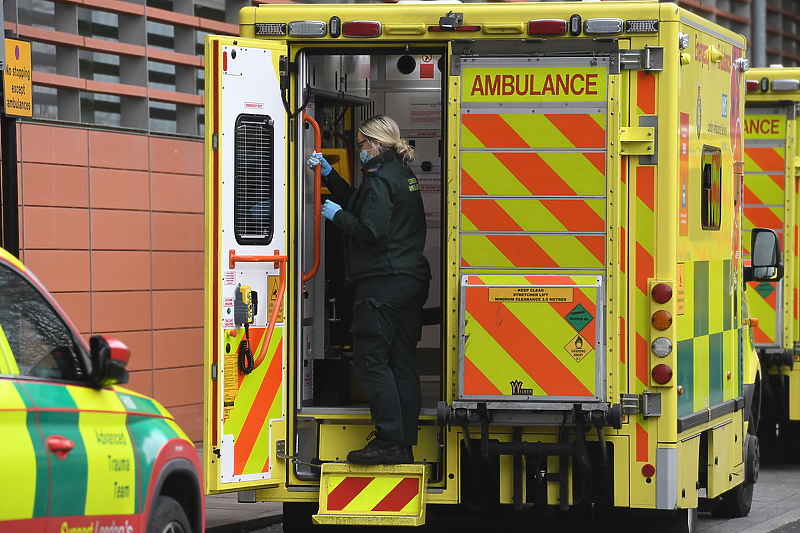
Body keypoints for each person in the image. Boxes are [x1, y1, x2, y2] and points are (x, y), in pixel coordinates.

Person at [308, 115, 431, 465]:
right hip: (409, 279)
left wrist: (333, 216)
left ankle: (389, 441)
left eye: (361, 144)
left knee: (371, 360)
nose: (360, 149)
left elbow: (369, 228)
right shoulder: (399, 174)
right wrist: (329, 177)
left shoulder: (380, 179)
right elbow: (362, 203)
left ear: (376, 144)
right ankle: (403, 442)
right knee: (401, 361)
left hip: (383, 283)